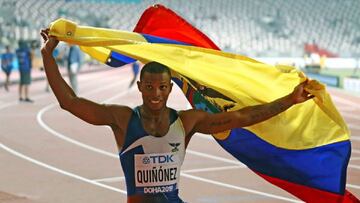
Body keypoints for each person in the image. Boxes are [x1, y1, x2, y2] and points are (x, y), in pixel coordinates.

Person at [41, 29, 314, 203]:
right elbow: (70, 102)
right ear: (140, 87)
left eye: (162, 87)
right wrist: (47, 56)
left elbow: (241, 118)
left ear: (170, 88)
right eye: (149, 87)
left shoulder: (187, 121)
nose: (156, 94)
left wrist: (289, 100)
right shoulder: (122, 119)